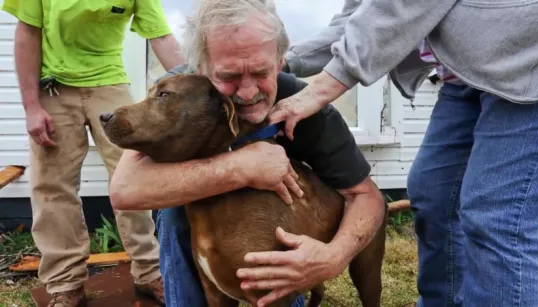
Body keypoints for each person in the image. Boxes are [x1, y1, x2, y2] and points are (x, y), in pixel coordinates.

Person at [107, 0, 386, 306]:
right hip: (203, 219)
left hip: (281, 221)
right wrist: (241, 167)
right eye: (228, 76)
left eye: (260, 71)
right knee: (174, 213)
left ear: (279, 62)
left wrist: (332, 258)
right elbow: (125, 190)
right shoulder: (181, 91)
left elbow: (367, 196)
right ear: (201, 69)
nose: (248, 92)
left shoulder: (307, 104)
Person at [268, 1, 538, 306]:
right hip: (468, 76)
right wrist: (277, 66)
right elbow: (358, 19)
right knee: (435, 194)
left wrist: (323, 86)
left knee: (497, 216)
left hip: (528, 65)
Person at [2, 0, 184, 306]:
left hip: (110, 82)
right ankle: (66, 283)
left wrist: (200, 83)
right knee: (52, 187)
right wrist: (31, 107)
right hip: (54, 87)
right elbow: (27, 34)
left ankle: (150, 271)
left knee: (135, 177)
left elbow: (162, 37)